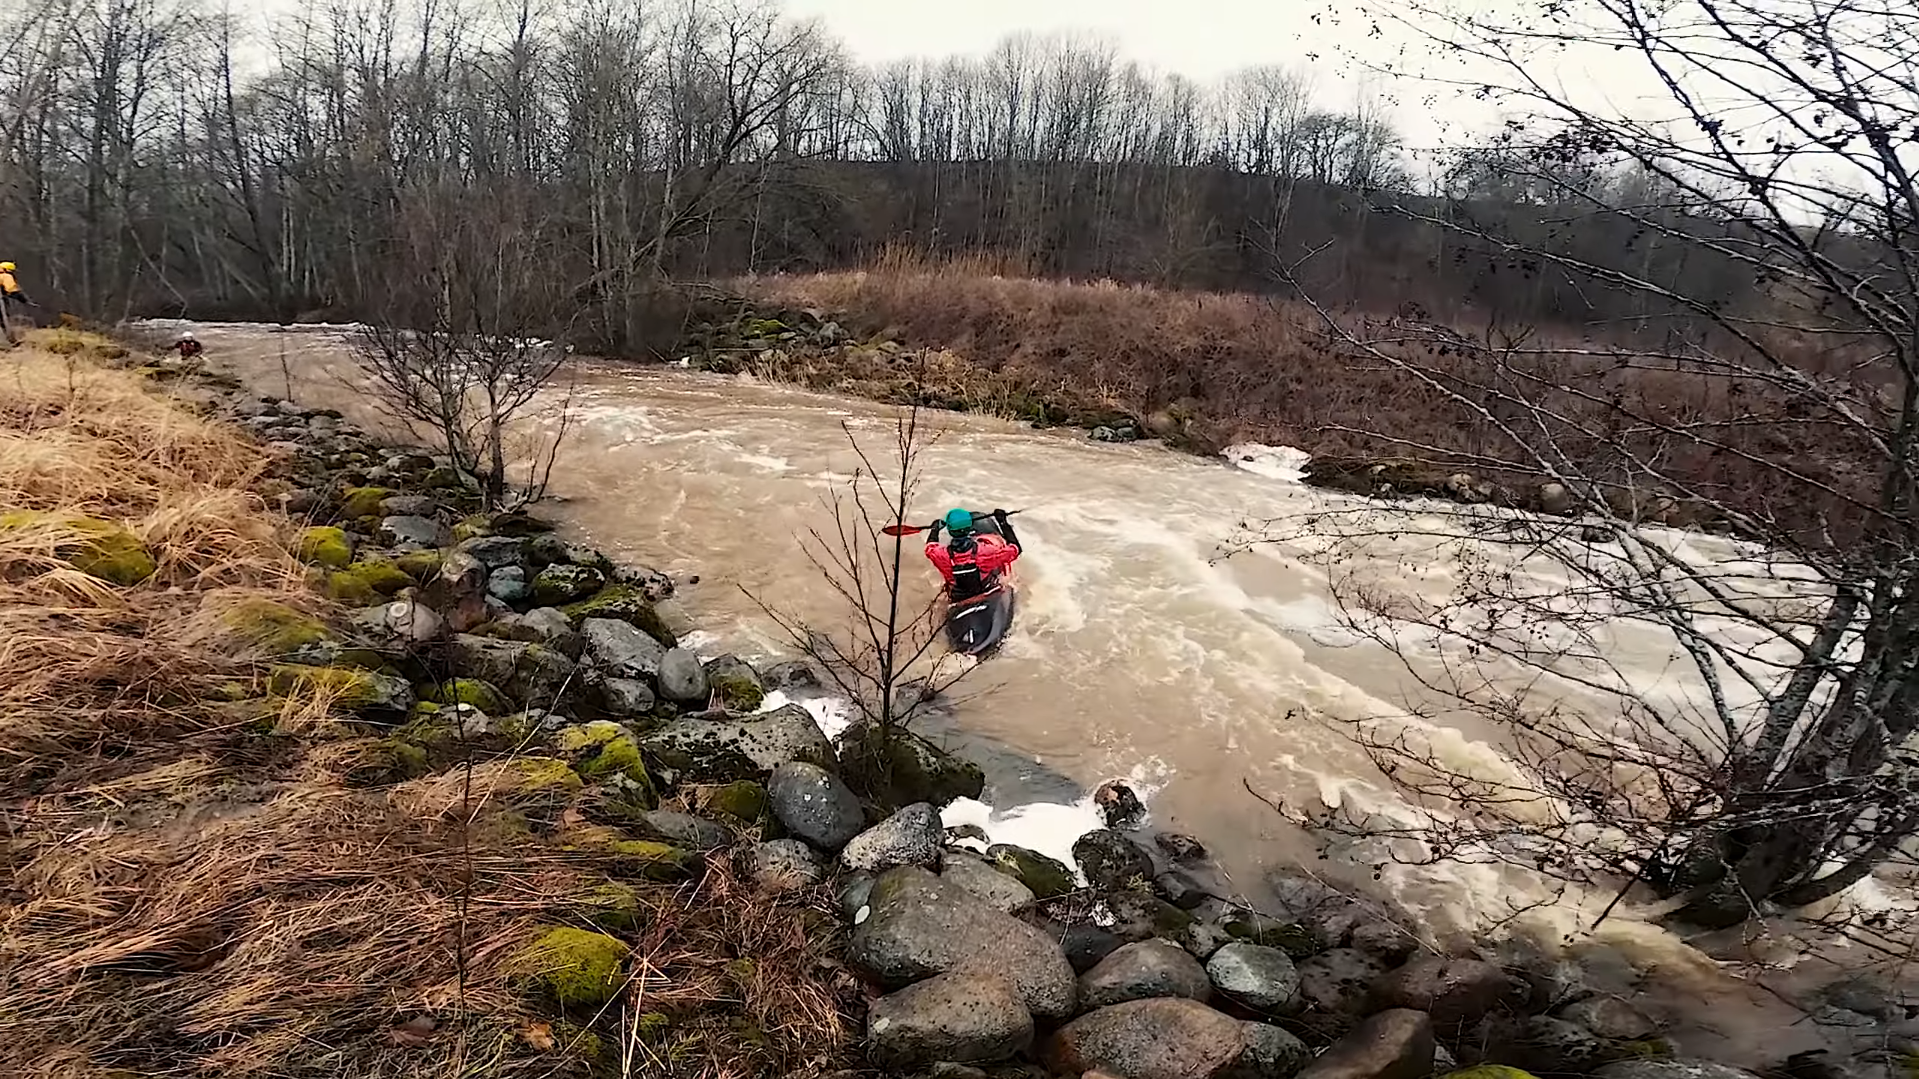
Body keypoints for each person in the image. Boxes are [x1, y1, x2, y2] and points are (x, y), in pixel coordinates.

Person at [925, 507, 1020, 599]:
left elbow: (930, 547)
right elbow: (1015, 549)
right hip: (984, 589)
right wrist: (1002, 522)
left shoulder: (940, 554)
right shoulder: (987, 551)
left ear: (950, 531)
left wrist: (935, 529)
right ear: (968, 528)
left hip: (958, 595)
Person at [0, 260, 37, 342]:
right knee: (4, 320)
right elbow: (12, 290)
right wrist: (25, 300)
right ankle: (9, 340)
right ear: (6, 270)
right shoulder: (6, 276)